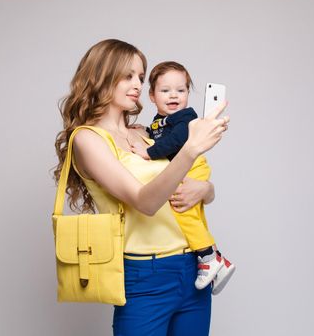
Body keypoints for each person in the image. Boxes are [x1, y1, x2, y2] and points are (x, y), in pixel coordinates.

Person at [54, 39, 229, 336]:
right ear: (101, 76)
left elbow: (192, 190)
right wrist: (191, 148)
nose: (137, 84)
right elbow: (144, 202)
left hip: (192, 269)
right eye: (127, 76)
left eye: (140, 76)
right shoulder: (88, 140)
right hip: (144, 275)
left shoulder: (146, 134)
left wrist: (206, 189)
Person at [131, 61, 235, 294]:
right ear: (151, 96)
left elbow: (175, 140)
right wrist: (145, 132)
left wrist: (148, 152)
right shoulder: (160, 121)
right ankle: (218, 261)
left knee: (183, 211)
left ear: (188, 93)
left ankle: (208, 257)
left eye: (181, 90)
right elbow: (161, 136)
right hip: (185, 166)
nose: (173, 96)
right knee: (193, 213)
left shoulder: (186, 117)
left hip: (193, 165)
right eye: (165, 90)